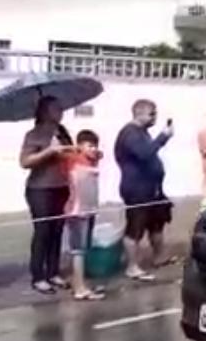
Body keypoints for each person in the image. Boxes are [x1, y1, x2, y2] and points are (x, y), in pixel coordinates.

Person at [19, 97, 75, 295]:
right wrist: (49, 151)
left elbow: (70, 155)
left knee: (57, 231)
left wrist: (71, 151)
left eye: (60, 108)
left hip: (61, 186)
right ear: (44, 112)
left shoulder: (61, 131)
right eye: (55, 108)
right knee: (42, 231)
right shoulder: (34, 134)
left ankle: (53, 272)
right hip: (40, 189)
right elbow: (25, 162)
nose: (60, 111)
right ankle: (38, 276)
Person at [114, 99, 174, 281]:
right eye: (151, 113)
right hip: (136, 189)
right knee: (136, 227)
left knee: (156, 223)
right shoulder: (129, 133)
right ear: (139, 113)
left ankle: (160, 257)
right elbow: (144, 153)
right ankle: (132, 267)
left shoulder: (142, 132)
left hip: (152, 189)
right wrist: (163, 137)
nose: (155, 117)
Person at [64, 130, 105, 301]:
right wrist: (76, 149)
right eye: (89, 145)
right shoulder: (73, 159)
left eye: (95, 146)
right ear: (79, 146)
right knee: (78, 251)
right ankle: (79, 288)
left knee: (83, 249)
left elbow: (98, 156)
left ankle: (79, 283)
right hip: (77, 210)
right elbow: (64, 154)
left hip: (89, 209)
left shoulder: (91, 160)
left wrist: (94, 154)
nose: (93, 149)